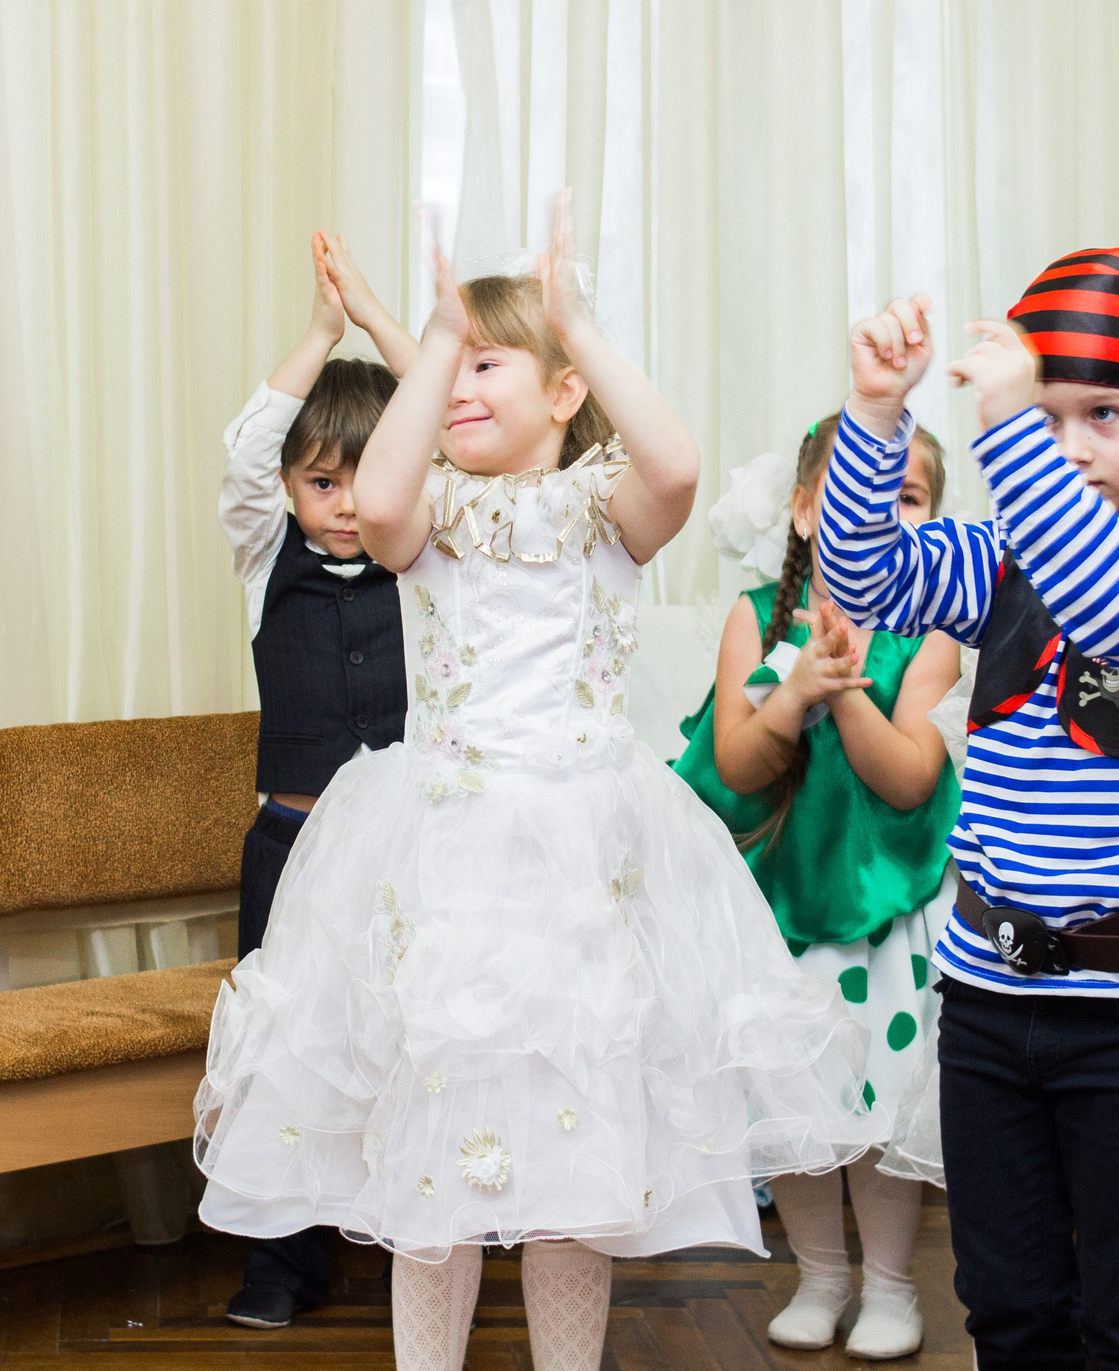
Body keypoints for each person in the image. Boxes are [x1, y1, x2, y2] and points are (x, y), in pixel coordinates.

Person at [195, 195, 872, 1371]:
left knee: (574, 1178)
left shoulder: (604, 510)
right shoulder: (425, 519)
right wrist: (439, 335)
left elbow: (675, 464)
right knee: (429, 1177)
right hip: (445, 863)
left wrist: (581, 327)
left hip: (582, 869)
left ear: (563, 392)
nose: (456, 386)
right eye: (448, 367)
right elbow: (385, 493)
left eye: (486, 364)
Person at [817, 247, 1119, 1370]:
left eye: (1103, 414)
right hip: (986, 999)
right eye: (1049, 416)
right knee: (1008, 1310)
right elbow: (862, 582)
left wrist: (1014, 426)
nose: (1068, 444)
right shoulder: (1005, 558)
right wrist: (876, 416)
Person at [673, 419, 962, 1360]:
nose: (880, 515)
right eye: (851, 494)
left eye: (906, 499)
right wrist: (791, 692)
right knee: (794, 1103)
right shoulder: (755, 615)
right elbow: (735, 765)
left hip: (880, 913)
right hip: (775, 912)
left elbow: (910, 779)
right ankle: (820, 1274)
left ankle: (891, 1284)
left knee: (878, 1105)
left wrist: (841, 687)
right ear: (803, 511)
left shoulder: (932, 636)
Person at [214, 230, 420, 1329]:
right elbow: (249, 445)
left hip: (401, 863)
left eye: (364, 480)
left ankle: (410, 1241)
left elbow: (442, 441)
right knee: (284, 1050)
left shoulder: (426, 568)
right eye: (321, 482)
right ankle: (281, 1261)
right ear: (290, 489)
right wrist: (321, 332)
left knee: (401, 1044)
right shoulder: (267, 563)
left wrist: (386, 325)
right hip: (290, 857)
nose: (344, 504)